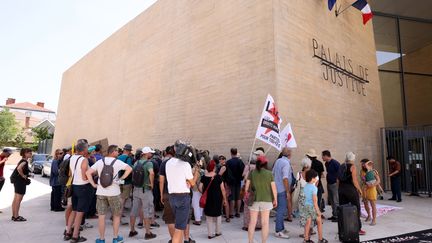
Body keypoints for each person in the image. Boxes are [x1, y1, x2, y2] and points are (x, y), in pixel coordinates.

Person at [86, 144, 132, 243]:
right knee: (116, 215)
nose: (118, 153)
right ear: (113, 152)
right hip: (114, 192)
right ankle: (115, 238)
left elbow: (88, 172)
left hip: (101, 192)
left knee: (101, 217)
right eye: (117, 151)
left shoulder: (99, 162)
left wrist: (94, 184)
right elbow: (129, 169)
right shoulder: (118, 162)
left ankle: (101, 239)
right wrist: (121, 178)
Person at [165, 141, 200, 243]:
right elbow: (192, 183)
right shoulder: (185, 165)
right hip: (183, 198)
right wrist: (197, 171)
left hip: (172, 197)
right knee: (179, 228)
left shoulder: (168, 163)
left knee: (178, 225)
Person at [245, 155, 277, 243]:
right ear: (265, 164)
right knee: (265, 223)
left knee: (252, 222)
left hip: (254, 200)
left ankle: (250, 241)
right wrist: (275, 199)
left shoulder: (252, 173)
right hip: (267, 200)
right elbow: (274, 188)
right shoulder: (269, 173)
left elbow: (246, 188)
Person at [65, 142, 93, 243]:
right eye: (87, 148)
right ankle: (75, 236)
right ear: (84, 149)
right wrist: (93, 181)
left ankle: (68, 232)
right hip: (83, 188)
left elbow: (73, 173)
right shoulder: (84, 159)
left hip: (74, 186)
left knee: (74, 210)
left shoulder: (72, 158)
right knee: (80, 213)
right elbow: (84, 177)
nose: (88, 149)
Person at [129, 147, 157, 240]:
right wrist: (151, 184)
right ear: (146, 153)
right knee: (147, 210)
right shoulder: (149, 163)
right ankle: (148, 233)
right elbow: (152, 173)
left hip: (136, 189)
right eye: (150, 152)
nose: (151, 154)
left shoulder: (136, 162)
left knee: (134, 210)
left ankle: (132, 231)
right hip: (145, 190)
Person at [338, 152, 366, 235]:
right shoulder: (353, 167)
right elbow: (354, 180)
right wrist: (359, 190)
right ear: (353, 158)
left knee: (343, 209)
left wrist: (339, 189)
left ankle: (343, 228)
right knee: (356, 209)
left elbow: (338, 180)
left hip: (341, 189)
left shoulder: (341, 165)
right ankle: (358, 229)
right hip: (350, 190)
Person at [199, 160, 228, 239]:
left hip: (208, 198)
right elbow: (222, 189)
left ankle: (210, 234)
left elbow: (200, 187)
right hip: (217, 199)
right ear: (214, 168)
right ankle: (218, 232)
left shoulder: (204, 177)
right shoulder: (218, 177)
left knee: (209, 216)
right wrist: (225, 199)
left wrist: (203, 193)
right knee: (218, 215)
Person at [302, 169, 328, 243]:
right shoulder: (314, 188)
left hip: (306, 206)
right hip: (313, 207)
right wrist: (318, 211)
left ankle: (306, 239)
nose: (317, 178)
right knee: (319, 222)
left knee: (308, 223)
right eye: (316, 177)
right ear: (312, 178)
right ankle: (320, 239)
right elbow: (315, 201)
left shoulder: (305, 186)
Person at [272, 147, 292, 239]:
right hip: (282, 189)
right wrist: (288, 192)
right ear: (289, 154)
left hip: (276, 188)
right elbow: (285, 178)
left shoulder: (278, 161)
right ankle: (278, 231)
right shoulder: (286, 163)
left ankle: (281, 228)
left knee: (280, 209)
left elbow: (273, 173)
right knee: (281, 210)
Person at [241, 151, 262, 231]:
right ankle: (258, 225)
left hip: (249, 189)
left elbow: (244, 176)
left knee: (247, 208)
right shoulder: (259, 167)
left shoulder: (248, 166)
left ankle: (247, 225)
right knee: (257, 207)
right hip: (257, 189)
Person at [11, 148, 32, 221]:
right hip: (20, 182)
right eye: (30, 152)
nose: (31, 154)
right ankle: (16, 216)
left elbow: (20, 169)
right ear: (25, 153)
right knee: (18, 200)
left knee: (16, 199)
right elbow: (19, 168)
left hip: (17, 181)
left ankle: (14, 215)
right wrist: (23, 176)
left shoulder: (22, 160)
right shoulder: (24, 162)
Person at [297, 157, 316, 238]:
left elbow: (297, 183)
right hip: (310, 194)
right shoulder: (313, 174)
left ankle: (306, 233)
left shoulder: (299, 174)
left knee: (303, 214)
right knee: (310, 213)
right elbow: (315, 184)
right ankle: (309, 231)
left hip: (302, 196)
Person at [117, 144, 134, 225]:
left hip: (118, 181)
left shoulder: (118, 157)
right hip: (126, 181)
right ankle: (118, 219)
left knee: (119, 199)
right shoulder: (128, 158)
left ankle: (115, 217)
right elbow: (130, 169)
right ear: (129, 151)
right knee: (122, 201)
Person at [226, 148, 245, 218]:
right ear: (236, 153)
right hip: (238, 181)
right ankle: (238, 212)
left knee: (232, 198)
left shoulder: (228, 162)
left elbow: (227, 173)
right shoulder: (240, 161)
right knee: (239, 197)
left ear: (231, 153)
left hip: (231, 182)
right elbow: (243, 171)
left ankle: (231, 213)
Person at [360, 160, 380, 226]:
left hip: (371, 189)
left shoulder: (373, 171)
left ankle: (374, 220)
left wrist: (372, 185)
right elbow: (363, 180)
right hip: (365, 189)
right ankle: (369, 215)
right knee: (365, 203)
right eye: (362, 164)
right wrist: (363, 179)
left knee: (373, 205)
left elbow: (378, 181)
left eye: (363, 164)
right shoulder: (362, 171)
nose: (362, 165)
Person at [322, 150, 340, 222]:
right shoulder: (326, 163)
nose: (322, 157)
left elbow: (339, 173)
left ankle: (338, 216)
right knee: (331, 200)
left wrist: (337, 183)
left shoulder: (335, 163)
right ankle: (334, 215)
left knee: (336, 200)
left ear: (326, 156)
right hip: (329, 183)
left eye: (323, 156)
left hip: (334, 184)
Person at [306, 149, 325, 218]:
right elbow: (322, 174)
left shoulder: (307, 164)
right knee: (318, 200)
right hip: (318, 184)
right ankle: (318, 215)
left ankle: (310, 215)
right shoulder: (320, 163)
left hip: (309, 185)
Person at [218, 155, 231, 222]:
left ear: (224, 160)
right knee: (224, 201)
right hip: (225, 185)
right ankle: (226, 216)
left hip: (224, 185)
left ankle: (227, 217)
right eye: (219, 159)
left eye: (222, 159)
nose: (220, 160)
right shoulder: (225, 166)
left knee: (224, 201)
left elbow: (219, 175)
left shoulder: (223, 167)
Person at [191, 158, 204, 226]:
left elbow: (193, 180)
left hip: (195, 189)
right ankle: (200, 216)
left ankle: (197, 220)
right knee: (201, 204)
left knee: (195, 205)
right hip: (202, 189)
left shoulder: (194, 170)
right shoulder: (203, 170)